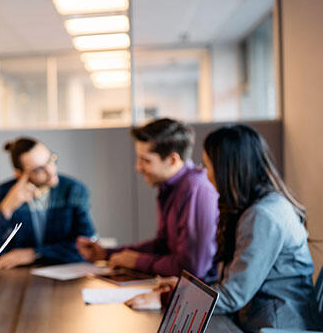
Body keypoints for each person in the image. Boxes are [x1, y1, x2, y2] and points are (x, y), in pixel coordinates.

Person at [126, 124, 323, 331]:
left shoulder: (263, 215)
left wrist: (168, 297)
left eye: (208, 166)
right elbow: (233, 283)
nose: (204, 173)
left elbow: (233, 295)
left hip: (274, 325)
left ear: (227, 170)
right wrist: (183, 289)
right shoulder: (258, 207)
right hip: (257, 318)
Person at [77, 118, 218, 278]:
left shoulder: (196, 190)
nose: (138, 167)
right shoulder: (169, 187)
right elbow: (163, 245)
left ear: (172, 160)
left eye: (146, 160)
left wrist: (138, 261)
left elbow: (192, 269)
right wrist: (107, 253)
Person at [0, 137, 95, 269]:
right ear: (19, 174)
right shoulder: (1, 193)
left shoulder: (73, 190)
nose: (51, 171)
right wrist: (6, 209)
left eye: (50, 160)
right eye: (39, 169)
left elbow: (87, 247)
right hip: (21, 276)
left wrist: (34, 254)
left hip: (66, 273)